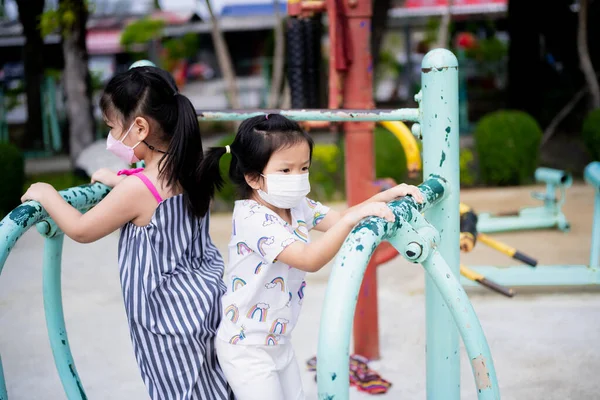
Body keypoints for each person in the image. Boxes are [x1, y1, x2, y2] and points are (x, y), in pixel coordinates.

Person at [21, 66, 233, 400]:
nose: (111, 138)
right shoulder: (188, 169)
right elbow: (153, 198)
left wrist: (47, 193)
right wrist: (119, 181)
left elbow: (80, 229)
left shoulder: (138, 189)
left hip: (168, 323)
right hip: (202, 305)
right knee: (211, 389)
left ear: (139, 128)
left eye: (112, 128)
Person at [197, 114, 423, 400]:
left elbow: (341, 217)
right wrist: (350, 220)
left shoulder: (296, 205)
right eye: (286, 170)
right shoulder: (252, 217)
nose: (298, 177)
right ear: (253, 177)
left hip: (279, 341)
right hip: (246, 348)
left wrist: (388, 196)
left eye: (303, 168)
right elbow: (309, 258)